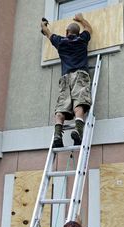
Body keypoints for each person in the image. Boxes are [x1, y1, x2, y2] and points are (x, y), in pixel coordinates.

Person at [40, 13, 93, 148]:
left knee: (61, 108)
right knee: (79, 104)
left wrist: (44, 25)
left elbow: (47, 33)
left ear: (66, 32)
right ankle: (78, 130)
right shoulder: (82, 39)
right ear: (78, 32)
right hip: (80, 75)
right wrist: (81, 19)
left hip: (65, 78)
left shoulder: (60, 42)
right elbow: (89, 29)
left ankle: (57, 135)